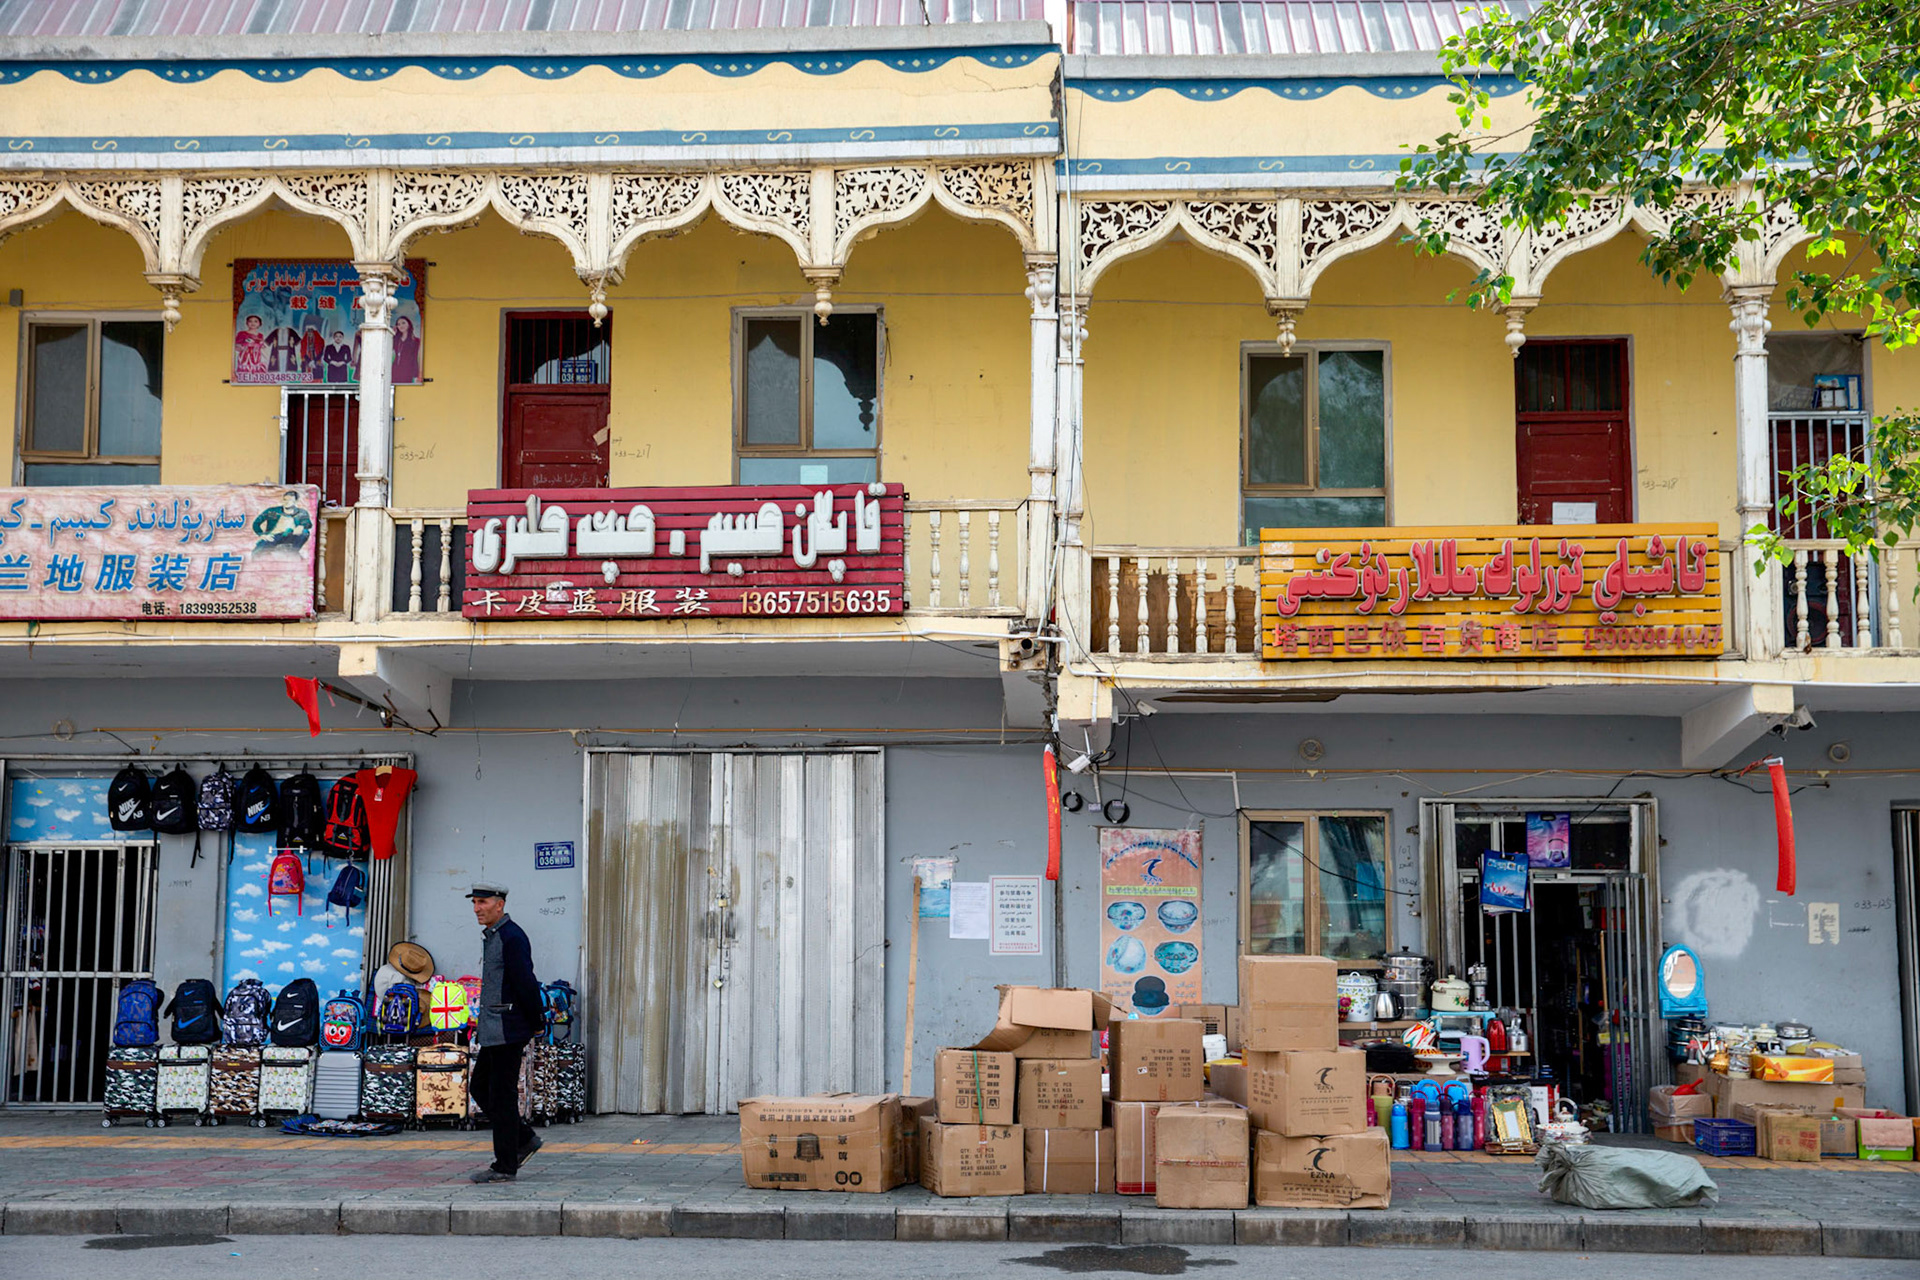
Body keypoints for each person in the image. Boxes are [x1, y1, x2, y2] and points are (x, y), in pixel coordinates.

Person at [466, 882, 546, 1182]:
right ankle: (523, 1138)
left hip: (508, 1028)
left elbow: (526, 981)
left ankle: (505, 1165)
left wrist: (537, 1020)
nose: (477, 908)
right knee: (480, 1088)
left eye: (482, 902)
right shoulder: (495, 935)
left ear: (499, 904)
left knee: (501, 1095)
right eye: (474, 902)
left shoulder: (512, 937)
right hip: (493, 1029)